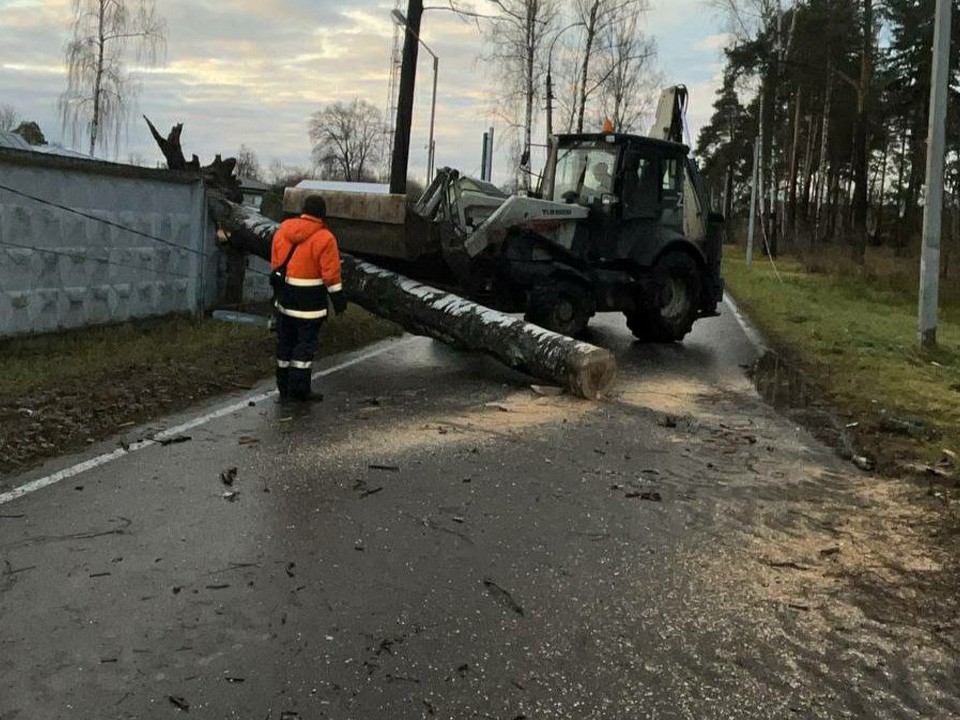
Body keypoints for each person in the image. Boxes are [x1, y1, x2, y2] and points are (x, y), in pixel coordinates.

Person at [271, 195, 347, 401]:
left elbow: (276, 264)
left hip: (285, 300)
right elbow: (330, 275)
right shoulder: (325, 238)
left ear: (303, 211)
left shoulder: (282, 232)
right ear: (322, 214)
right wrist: (339, 301)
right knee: (305, 346)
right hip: (310, 303)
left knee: (285, 341)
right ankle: (299, 390)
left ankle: (283, 387)